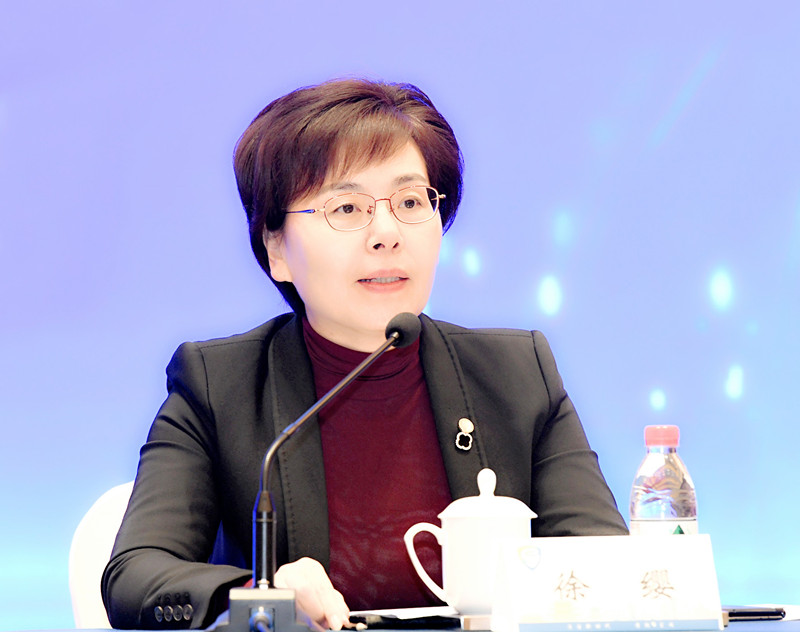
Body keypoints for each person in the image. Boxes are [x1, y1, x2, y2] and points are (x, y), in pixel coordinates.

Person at [101, 78, 628, 630]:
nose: (386, 233)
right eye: (347, 207)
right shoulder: (219, 386)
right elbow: (135, 577)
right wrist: (264, 595)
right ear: (276, 248)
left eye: (410, 201)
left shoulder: (517, 374)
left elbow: (604, 562)